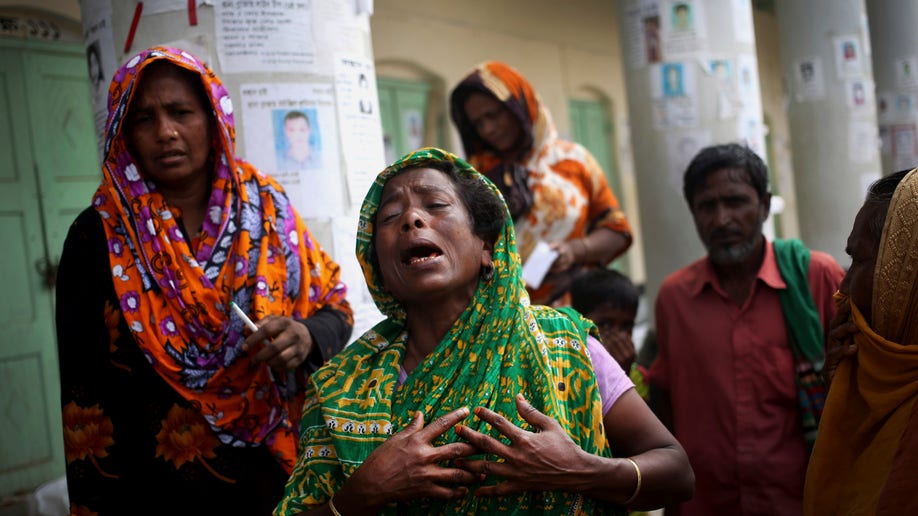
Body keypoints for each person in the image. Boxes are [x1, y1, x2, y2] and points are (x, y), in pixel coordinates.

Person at [274, 148, 694, 515]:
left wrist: (581, 470)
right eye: (390, 216)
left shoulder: (563, 344)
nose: (411, 219)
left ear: (487, 247)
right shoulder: (342, 385)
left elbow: (676, 472)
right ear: (378, 265)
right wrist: (363, 493)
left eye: (435, 205)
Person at [55, 47, 354, 515]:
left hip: (278, 473)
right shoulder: (97, 236)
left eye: (181, 112)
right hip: (157, 488)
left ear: (213, 117)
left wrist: (304, 336)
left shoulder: (268, 209)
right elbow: (83, 393)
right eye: (144, 118)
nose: (165, 132)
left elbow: (335, 306)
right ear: (123, 133)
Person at [648, 143, 845, 515]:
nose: (722, 219)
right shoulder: (675, 298)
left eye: (736, 201)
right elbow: (666, 406)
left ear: (765, 205)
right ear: (693, 213)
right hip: (707, 503)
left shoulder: (816, 278)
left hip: (802, 502)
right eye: (708, 206)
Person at [449, 61, 632, 307]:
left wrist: (575, 250)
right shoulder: (472, 179)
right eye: (478, 123)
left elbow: (618, 231)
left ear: (519, 107)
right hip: (506, 320)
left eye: (493, 115)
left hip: (576, 312)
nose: (488, 129)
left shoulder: (575, 162)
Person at [804, 168, 918, 515]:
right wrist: (844, 395)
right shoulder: (878, 383)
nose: (842, 290)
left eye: (859, 261)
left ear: (905, 277)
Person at [570, 268, 649, 400]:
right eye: (605, 325)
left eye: (626, 326)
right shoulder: (565, 369)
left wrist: (622, 374)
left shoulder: (638, 376)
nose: (619, 336)